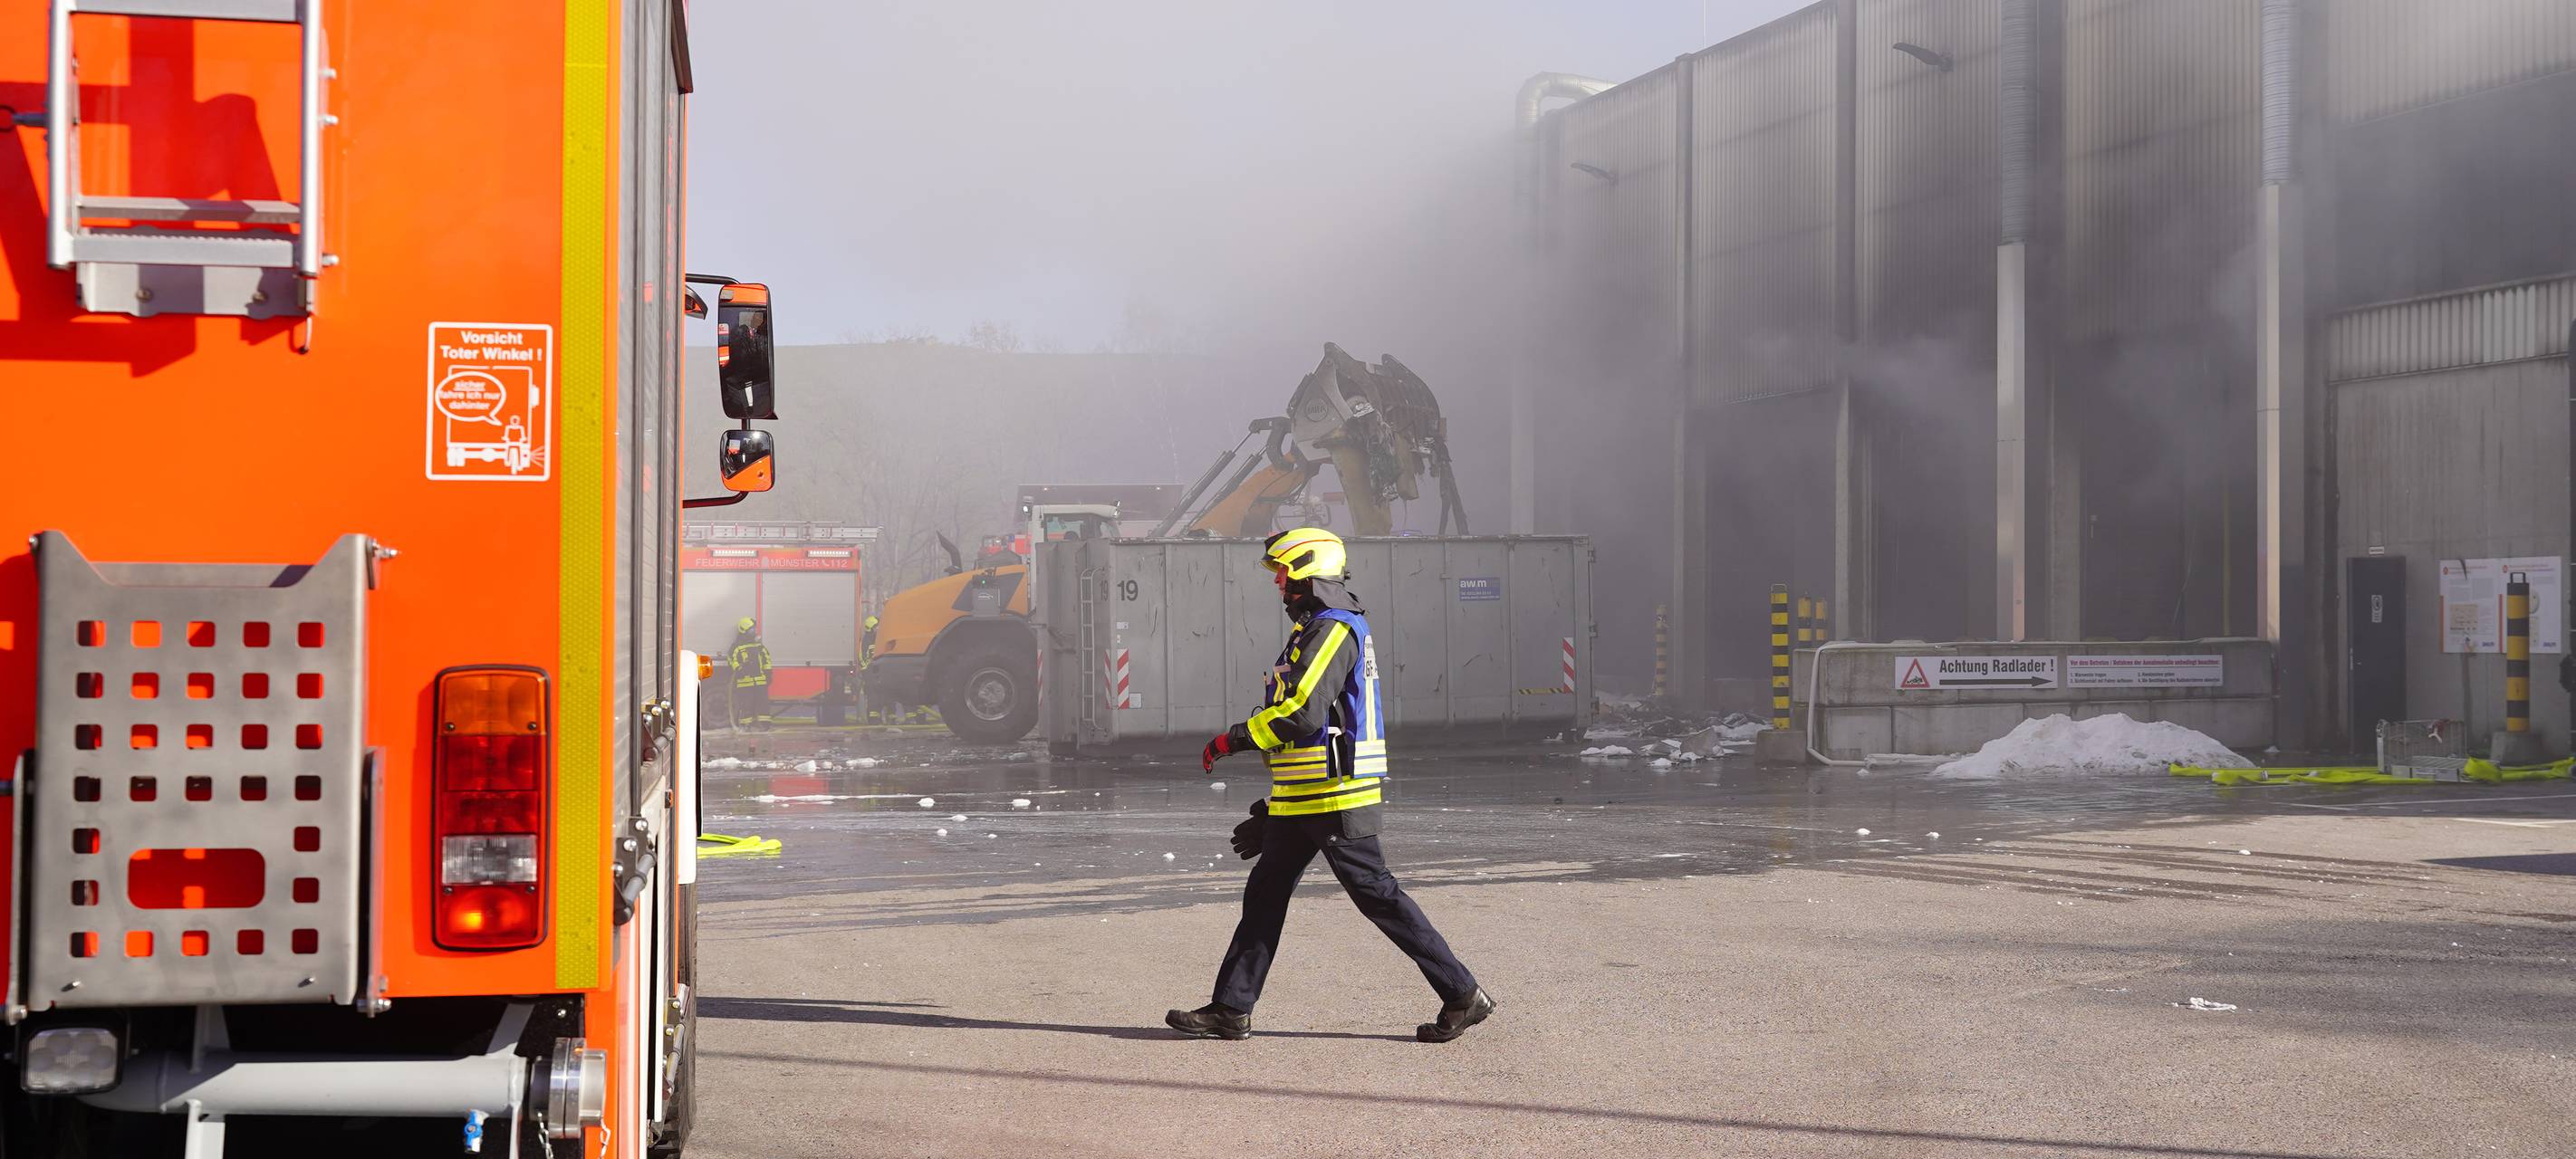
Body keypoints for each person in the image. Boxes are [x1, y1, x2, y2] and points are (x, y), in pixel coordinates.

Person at [1167, 528, 1495, 1043]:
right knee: (1265, 894)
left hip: (1336, 797)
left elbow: (1301, 715)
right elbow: (1314, 728)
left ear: (1309, 570)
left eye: (1284, 571)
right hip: (1306, 797)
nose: (1277, 581)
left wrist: (1230, 740)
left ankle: (1463, 994)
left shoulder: (1332, 630)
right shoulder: (1318, 628)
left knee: (1377, 896)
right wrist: (1274, 808)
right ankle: (1231, 1009)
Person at [729, 616, 774, 731]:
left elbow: (766, 659)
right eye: (751, 630)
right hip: (744, 682)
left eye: (754, 629)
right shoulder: (737, 647)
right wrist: (739, 669)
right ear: (744, 631)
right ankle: (746, 725)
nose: (754, 632)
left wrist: (768, 672)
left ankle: (765, 725)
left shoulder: (759, 646)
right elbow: (732, 659)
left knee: (763, 703)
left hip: (760, 682)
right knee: (746, 704)